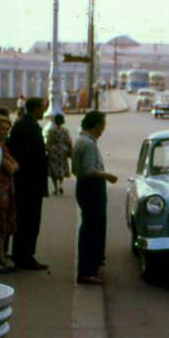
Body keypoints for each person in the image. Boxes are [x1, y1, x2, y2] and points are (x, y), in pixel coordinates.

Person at [72, 110, 117, 285]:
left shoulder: (81, 140)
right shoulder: (89, 144)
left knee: (90, 227)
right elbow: (89, 170)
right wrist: (108, 176)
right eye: (102, 125)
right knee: (92, 229)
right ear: (97, 125)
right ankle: (87, 272)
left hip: (83, 186)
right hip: (91, 187)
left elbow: (77, 170)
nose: (103, 129)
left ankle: (90, 268)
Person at [7, 97, 49, 270]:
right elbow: (27, 155)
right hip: (29, 183)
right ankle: (24, 257)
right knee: (29, 221)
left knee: (26, 220)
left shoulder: (24, 123)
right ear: (35, 108)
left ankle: (22, 255)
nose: (44, 110)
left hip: (27, 182)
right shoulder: (28, 125)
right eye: (42, 107)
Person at [0, 116, 18, 273]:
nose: (5, 132)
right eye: (2, 128)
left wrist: (13, 165)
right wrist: (12, 165)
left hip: (4, 189)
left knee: (2, 227)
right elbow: (11, 167)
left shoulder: (3, 146)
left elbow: (14, 164)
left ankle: (0, 258)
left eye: (7, 129)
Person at [46, 113, 72, 196]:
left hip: (53, 150)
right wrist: (70, 150)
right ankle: (61, 184)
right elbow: (68, 141)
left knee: (53, 169)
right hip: (62, 150)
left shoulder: (51, 130)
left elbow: (48, 142)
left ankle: (55, 188)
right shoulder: (65, 130)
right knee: (62, 167)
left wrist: (47, 150)